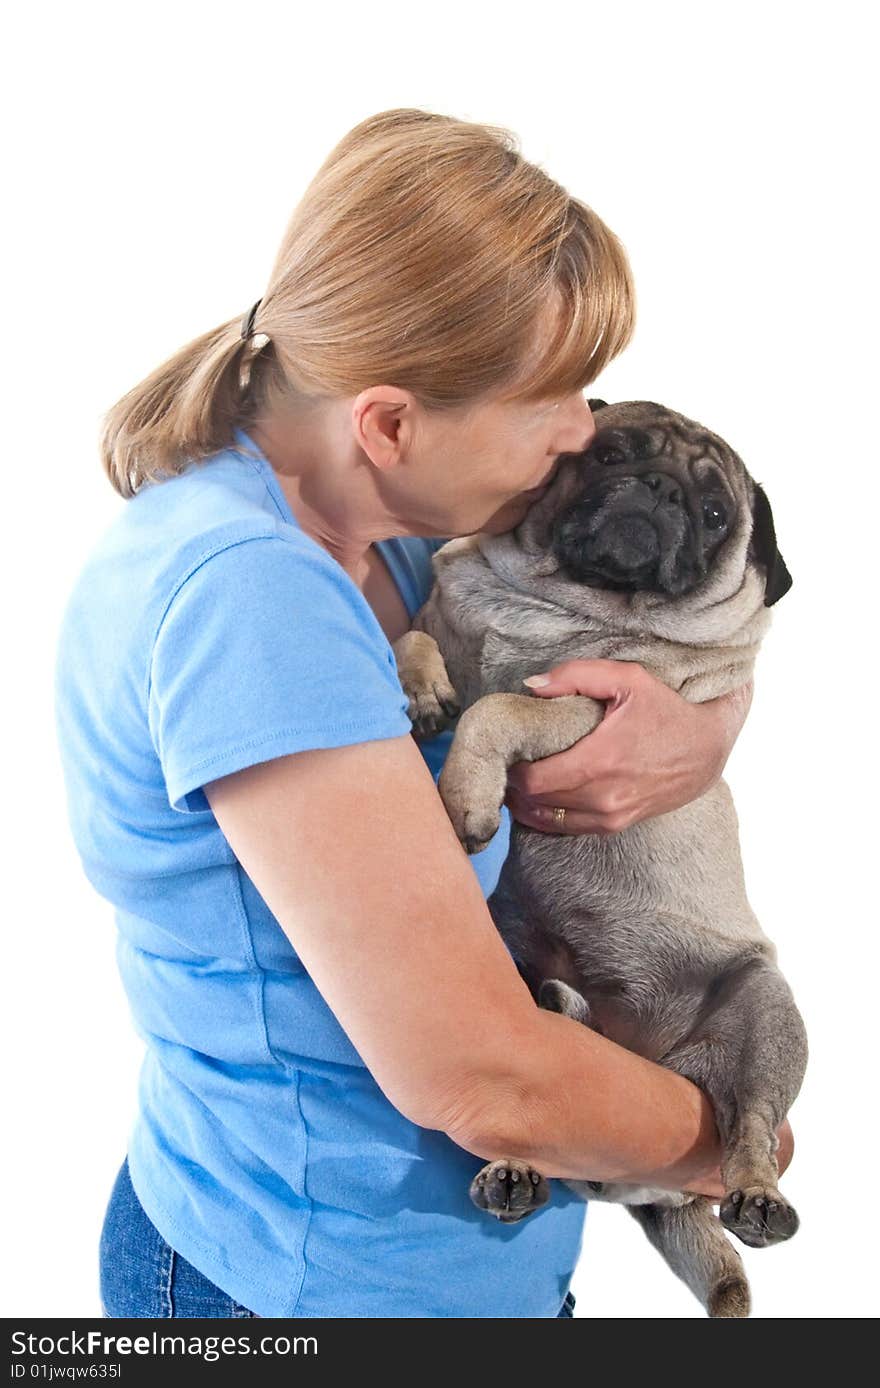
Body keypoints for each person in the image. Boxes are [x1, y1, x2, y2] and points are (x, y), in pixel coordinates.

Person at [54, 107, 792, 1320]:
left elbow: (651, 635)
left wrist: (700, 727)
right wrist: (721, 1142)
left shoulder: (373, 537)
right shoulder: (253, 599)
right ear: (389, 421)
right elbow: (483, 1077)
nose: (583, 433)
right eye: (551, 399)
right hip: (311, 1290)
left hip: (444, 1263)